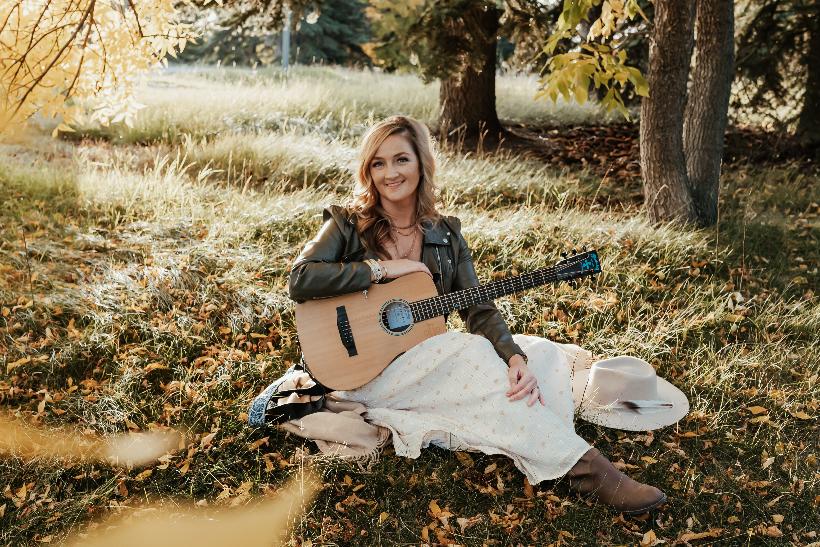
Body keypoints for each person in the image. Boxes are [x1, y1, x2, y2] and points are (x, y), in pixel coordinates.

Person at [287, 115, 666, 515]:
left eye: (401, 159)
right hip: (359, 372)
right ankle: (588, 471)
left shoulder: (446, 235)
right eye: (377, 163)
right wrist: (382, 270)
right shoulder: (347, 223)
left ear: (421, 164)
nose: (389, 173)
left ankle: (545, 439)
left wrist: (514, 358)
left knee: (540, 356)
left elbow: (478, 306)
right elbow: (300, 278)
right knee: (469, 353)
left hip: (423, 366)